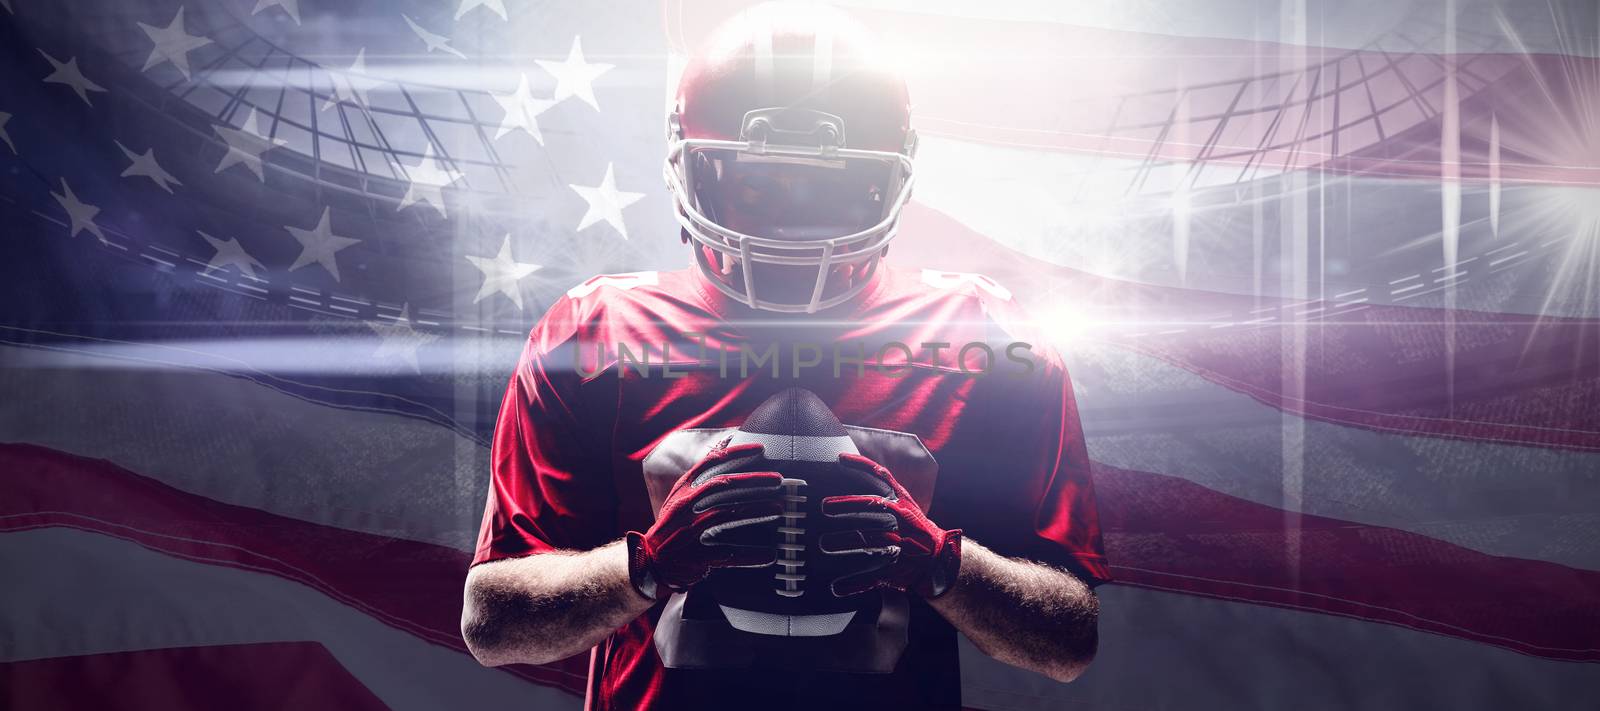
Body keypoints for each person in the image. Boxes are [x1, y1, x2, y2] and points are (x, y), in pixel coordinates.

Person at [461, 4, 1108, 709]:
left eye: (827, 185)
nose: (790, 216)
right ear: (689, 164)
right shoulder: (593, 332)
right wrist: (645, 565)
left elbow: (1067, 638)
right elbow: (493, 623)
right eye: (755, 181)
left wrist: (939, 561)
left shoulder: (980, 334)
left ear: (890, 177)